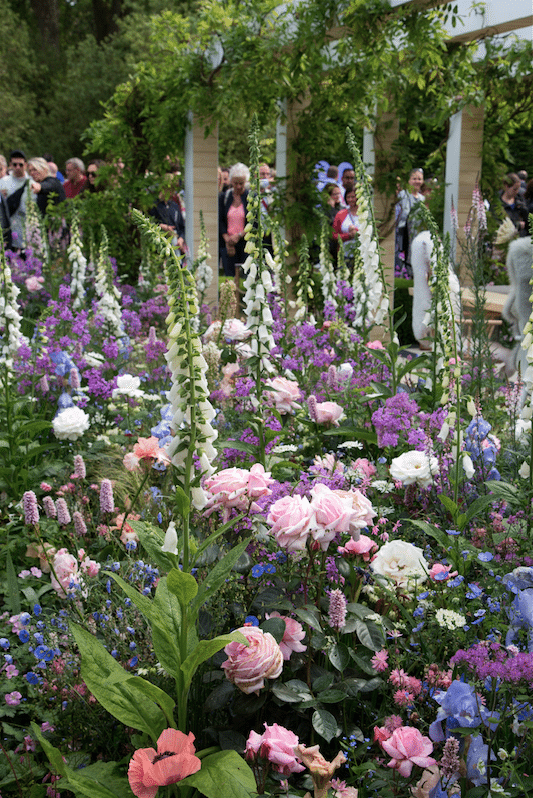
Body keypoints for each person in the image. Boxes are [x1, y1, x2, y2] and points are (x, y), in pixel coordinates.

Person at [219, 163, 249, 277]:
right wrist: (228, 240)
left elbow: (254, 223)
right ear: (231, 181)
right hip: (227, 243)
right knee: (230, 276)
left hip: (245, 242)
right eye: (235, 183)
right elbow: (220, 220)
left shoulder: (251, 197)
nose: (238, 186)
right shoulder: (224, 197)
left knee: (245, 276)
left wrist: (239, 235)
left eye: (241, 183)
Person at [395, 168, 425, 276]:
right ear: (409, 180)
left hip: (417, 236)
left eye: (419, 179)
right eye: (414, 178)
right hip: (403, 235)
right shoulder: (402, 196)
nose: (417, 181)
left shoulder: (422, 199)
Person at [150, 173, 187, 255]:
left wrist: (181, 239)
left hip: (175, 246)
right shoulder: (155, 205)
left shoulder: (174, 205)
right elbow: (150, 223)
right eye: (171, 188)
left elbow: (182, 228)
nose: (173, 191)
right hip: (160, 246)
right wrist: (162, 227)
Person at [0, 150, 28, 249]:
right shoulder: (3, 182)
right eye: (14, 164)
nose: (17, 167)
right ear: (10, 165)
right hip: (9, 229)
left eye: (20, 164)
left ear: (25, 164)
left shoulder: (31, 181)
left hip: (27, 228)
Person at [332, 188, 359, 264]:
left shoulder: (365, 214)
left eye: (353, 197)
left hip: (361, 254)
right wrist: (348, 236)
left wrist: (356, 231)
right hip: (344, 255)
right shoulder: (341, 214)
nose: (350, 199)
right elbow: (333, 235)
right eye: (348, 197)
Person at [500, 173, 528, 237]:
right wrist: (517, 225)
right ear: (506, 186)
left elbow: (528, 222)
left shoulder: (520, 200)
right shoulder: (498, 202)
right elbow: (498, 223)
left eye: (518, 189)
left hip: (520, 239)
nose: (517, 191)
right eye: (515, 189)